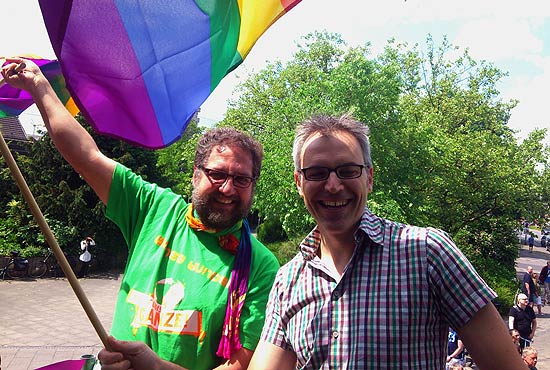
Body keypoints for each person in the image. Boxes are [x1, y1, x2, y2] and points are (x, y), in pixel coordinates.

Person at [1, 58, 279, 370]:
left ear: (253, 186)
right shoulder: (153, 208)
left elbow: (241, 367)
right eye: (217, 174)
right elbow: (86, 157)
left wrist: (158, 368)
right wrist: (40, 87)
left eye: (241, 179)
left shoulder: (261, 265)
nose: (228, 189)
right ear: (195, 174)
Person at [248, 114, 527, 370]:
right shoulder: (288, 280)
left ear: (369, 177)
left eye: (347, 170)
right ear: (299, 182)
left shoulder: (427, 251)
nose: (333, 185)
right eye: (317, 173)